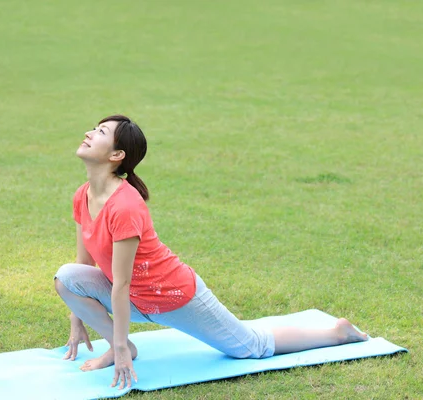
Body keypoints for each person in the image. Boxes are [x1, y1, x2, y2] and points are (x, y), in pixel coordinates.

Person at [54, 115, 368, 390]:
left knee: (250, 346)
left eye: (101, 132)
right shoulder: (83, 196)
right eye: (95, 128)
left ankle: (337, 332)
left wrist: (118, 346)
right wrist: (78, 319)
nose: (90, 132)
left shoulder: (124, 205)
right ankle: (124, 346)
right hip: (133, 300)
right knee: (66, 277)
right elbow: (84, 265)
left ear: (117, 155)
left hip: (173, 296)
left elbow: (121, 282)